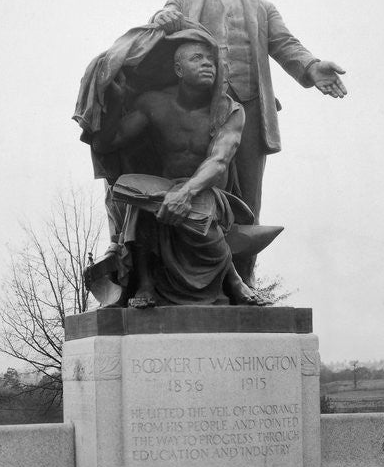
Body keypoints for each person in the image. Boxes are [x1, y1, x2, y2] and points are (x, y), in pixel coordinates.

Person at [151, 0, 347, 283]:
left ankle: (244, 283)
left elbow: (287, 45)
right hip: (201, 113)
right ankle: (198, 282)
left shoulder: (262, 8)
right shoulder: (182, 1)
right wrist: (160, 18)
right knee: (206, 192)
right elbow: (159, 26)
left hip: (253, 114)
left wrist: (312, 67)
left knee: (248, 205)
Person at [90, 36, 263, 307]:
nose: (207, 64)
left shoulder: (229, 109)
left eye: (211, 61)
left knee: (202, 215)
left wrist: (185, 192)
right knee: (139, 206)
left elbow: (219, 161)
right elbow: (106, 144)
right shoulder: (154, 103)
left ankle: (232, 279)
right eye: (197, 58)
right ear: (178, 70)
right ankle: (146, 284)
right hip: (162, 188)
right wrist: (116, 100)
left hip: (207, 190)